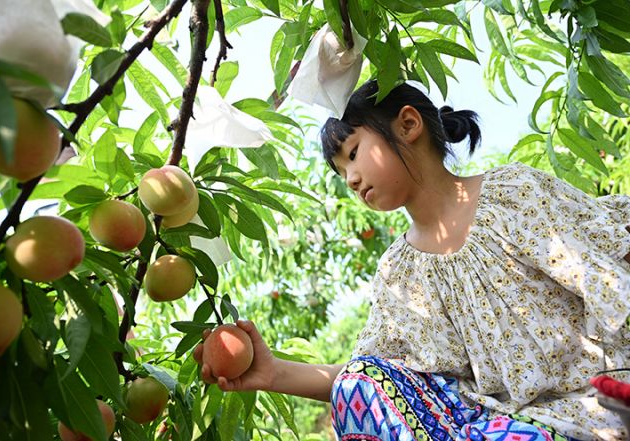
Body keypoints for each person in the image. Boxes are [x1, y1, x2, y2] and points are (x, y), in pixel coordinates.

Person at [196, 80, 630, 441]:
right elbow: (376, 376)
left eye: (352, 153)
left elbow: (607, 267)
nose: (349, 179)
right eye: (339, 171)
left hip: (598, 405)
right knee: (361, 381)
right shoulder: (400, 273)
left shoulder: (513, 194)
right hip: (501, 425)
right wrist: (273, 373)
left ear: (407, 124)